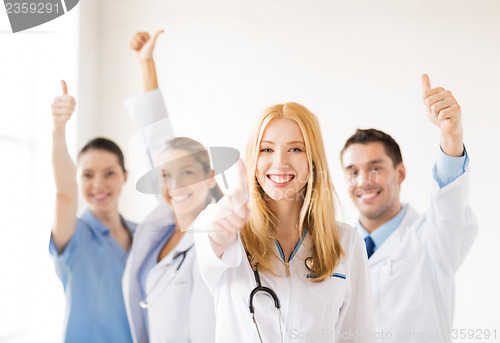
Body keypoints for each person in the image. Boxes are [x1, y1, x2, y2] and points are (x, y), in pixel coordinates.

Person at [194, 102, 375, 342]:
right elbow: (213, 231)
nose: (280, 162)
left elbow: (358, 336)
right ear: (253, 159)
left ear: (313, 160)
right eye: (266, 149)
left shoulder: (347, 242)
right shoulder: (227, 231)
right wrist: (224, 221)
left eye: (295, 149)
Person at [339, 74, 478, 342]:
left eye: (375, 168)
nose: (363, 181)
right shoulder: (333, 248)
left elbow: (449, 205)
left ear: (400, 173)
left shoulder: (432, 239)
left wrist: (451, 137)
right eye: (352, 171)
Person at [122, 30, 220, 343]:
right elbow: (155, 139)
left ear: (210, 176)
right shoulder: (163, 226)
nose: (175, 184)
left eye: (188, 172)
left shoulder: (220, 237)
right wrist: (146, 63)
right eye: (166, 174)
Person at [49, 81, 136, 342]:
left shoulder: (142, 234)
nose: (98, 185)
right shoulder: (75, 234)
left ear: (125, 177)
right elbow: (64, 193)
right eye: (87, 175)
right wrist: (58, 129)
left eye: (109, 173)